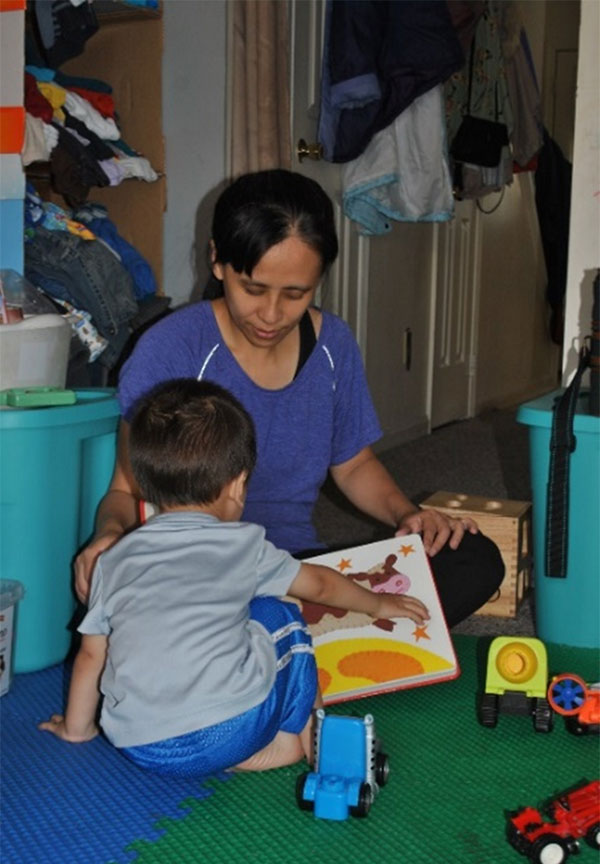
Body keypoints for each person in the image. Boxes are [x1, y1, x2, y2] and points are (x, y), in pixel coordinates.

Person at [74, 168, 503, 626]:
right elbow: (124, 490)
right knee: (132, 613)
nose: (272, 315)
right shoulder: (172, 349)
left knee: (473, 558)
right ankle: (301, 645)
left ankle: (274, 648)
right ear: (218, 261)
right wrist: (110, 537)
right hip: (196, 574)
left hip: (298, 569)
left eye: (296, 294)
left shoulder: (333, 345)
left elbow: (354, 464)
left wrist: (410, 515)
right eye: (253, 289)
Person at [40, 380, 429, 776]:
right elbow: (322, 586)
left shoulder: (113, 559)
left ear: (144, 486)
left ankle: (230, 752)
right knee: (281, 614)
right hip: (229, 730)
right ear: (238, 485)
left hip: (141, 745)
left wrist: (77, 729)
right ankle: (313, 739)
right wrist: (379, 602)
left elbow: (91, 656)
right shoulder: (244, 545)